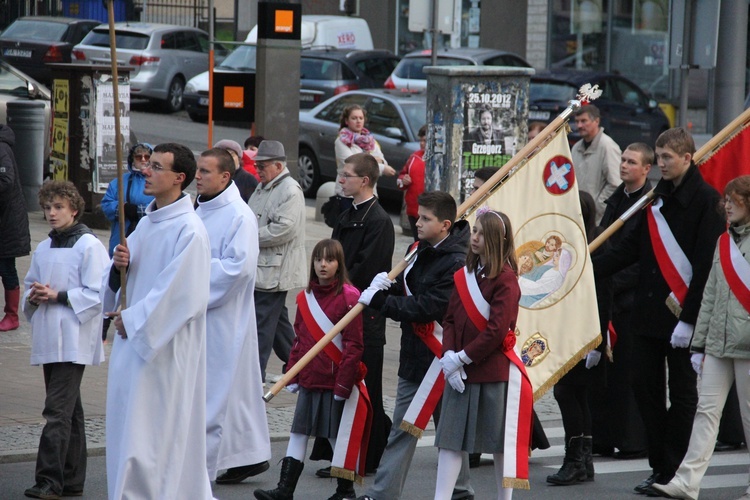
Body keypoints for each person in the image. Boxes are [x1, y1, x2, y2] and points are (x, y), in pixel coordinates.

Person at [593, 128, 725, 493]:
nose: (661, 164)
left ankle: (673, 468)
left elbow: (704, 268)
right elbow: (629, 249)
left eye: (668, 157)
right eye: (659, 156)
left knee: (682, 395)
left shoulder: (707, 202)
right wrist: (585, 268)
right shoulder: (656, 199)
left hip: (684, 317)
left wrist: (688, 320)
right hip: (648, 314)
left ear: (687, 158)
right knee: (644, 389)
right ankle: (659, 463)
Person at [104, 143, 214, 499]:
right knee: (126, 433)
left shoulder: (190, 231)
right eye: (147, 164)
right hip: (132, 346)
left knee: (149, 440)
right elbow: (126, 279)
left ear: (179, 178)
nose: (146, 171)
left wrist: (132, 320)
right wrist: (122, 265)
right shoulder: (147, 224)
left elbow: (181, 295)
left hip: (162, 353)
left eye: (155, 166)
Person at [357, 191, 474, 500]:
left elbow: (429, 306)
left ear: (445, 224)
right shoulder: (418, 248)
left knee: (448, 434)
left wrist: (383, 302)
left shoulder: (456, 262)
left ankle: (460, 491)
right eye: (419, 216)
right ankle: (385, 493)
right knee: (404, 429)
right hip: (415, 356)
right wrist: (387, 284)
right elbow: (409, 286)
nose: (417, 222)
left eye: (425, 218)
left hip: (442, 358)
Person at [650, 175, 750, 499]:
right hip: (719, 344)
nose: (726, 206)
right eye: (725, 200)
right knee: (705, 412)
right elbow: (710, 295)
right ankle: (686, 481)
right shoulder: (723, 242)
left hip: (748, 346)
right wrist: (700, 343)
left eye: (733, 200)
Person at [254, 239, 364, 500]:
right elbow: (299, 339)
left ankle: (345, 491)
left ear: (339, 264)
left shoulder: (350, 297)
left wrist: (343, 384)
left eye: (329, 260)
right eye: (318, 259)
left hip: (335, 380)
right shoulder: (305, 297)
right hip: (310, 379)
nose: (322, 265)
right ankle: (284, 490)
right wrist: (292, 373)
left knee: (337, 437)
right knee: (298, 432)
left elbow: (354, 345)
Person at [21, 181, 109, 499]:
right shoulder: (44, 248)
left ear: (74, 209)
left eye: (58, 207)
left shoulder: (88, 245)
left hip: (74, 337)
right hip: (49, 335)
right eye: (47, 207)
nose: (51, 213)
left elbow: (98, 293)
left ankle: (49, 480)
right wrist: (33, 295)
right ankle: (72, 478)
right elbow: (31, 283)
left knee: (56, 410)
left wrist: (56, 295)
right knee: (70, 411)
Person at [432, 207, 526, 500]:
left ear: (497, 239)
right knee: (449, 441)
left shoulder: (506, 279)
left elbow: (497, 331)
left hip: (491, 373)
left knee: (500, 445)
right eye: (474, 231)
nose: (475, 238)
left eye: (482, 234)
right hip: (460, 372)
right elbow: (449, 319)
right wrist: (450, 358)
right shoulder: (465, 275)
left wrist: (462, 358)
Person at [313, 152, 394, 478]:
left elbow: (363, 272)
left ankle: (367, 456)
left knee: (365, 388)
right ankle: (341, 453)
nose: (340, 179)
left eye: (346, 175)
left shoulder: (378, 221)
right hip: (338, 310)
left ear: (364, 180)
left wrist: (337, 295)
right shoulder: (350, 211)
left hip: (362, 318)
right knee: (340, 385)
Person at [194, 148, 272, 485]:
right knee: (237, 391)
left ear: (225, 177)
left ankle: (200, 471)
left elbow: (238, 269)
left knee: (216, 391)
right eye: (197, 170)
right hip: (199, 313)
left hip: (224, 315)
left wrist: (191, 272)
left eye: (205, 172)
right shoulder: (195, 207)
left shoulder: (240, 215)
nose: (197, 177)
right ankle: (249, 454)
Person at [588, 143, 653, 459]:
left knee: (626, 373)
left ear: (646, 169)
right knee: (602, 374)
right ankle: (602, 437)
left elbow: (644, 257)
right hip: (606, 296)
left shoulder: (650, 204)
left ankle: (631, 440)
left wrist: (615, 281)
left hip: (630, 299)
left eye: (631, 161)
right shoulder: (616, 201)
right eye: (623, 160)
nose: (624, 165)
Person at [545, 191, 609, 486]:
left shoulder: (594, 243)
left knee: (566, 392)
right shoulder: (571, 244)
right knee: (576, 393)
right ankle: (584, 461)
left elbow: (601, 295)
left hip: (584, 331)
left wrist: (598, 341)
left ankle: (575, 461)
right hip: (568, 328)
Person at [247, 140, 307, 382]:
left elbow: (283, 229)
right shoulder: (264, 187)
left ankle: (254, 378)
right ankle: (301, 368)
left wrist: (247, 237)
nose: (258, 170)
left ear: (278, 165)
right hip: (264, 268)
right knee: (279, 325)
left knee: (261, 327)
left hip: (274, 271)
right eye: (257, 165)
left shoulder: (290, 190)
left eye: (262, 166)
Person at [334, 104, 395, 209]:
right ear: (346, 121)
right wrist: (382, 167)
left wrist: (370, 160)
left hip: (369, 194)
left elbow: (383, 160)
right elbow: (355, 165)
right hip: (348, 195)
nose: (358, 121)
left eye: (361, 118)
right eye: (354, 118)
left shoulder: (370, 140)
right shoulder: (341, 141)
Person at [0, 123, 30, 332]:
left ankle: (12, 315)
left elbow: (6, 180)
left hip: (6, 222)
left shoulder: (1, 148)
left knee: (5, 267)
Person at [101, 142, 155, 255]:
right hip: (120, 236)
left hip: (146, 238)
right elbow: (106, 204)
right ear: (132, 160)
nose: (143, 160)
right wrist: (122, 208)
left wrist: (139, 211)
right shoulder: (119, 182)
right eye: (138, 157)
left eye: (147, 157)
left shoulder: (157, 181)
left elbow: (160, 207)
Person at [570, 105, 621, 223]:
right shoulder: (576, 147)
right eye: (577, 121)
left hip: (597, 219)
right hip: (577, 216)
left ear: (596, 121)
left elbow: (615, 183)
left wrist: (596, 207)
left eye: (584, 121)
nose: (579, 126)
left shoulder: (608, 147)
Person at [397, 124, 427, 241]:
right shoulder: (414, 157)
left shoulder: (436, 159)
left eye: (425, 140)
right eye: (420, 140)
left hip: (428, 212)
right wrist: (403, 180)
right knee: (417, 242)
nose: (422, 143)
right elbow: (401, 177)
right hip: (413, 210)